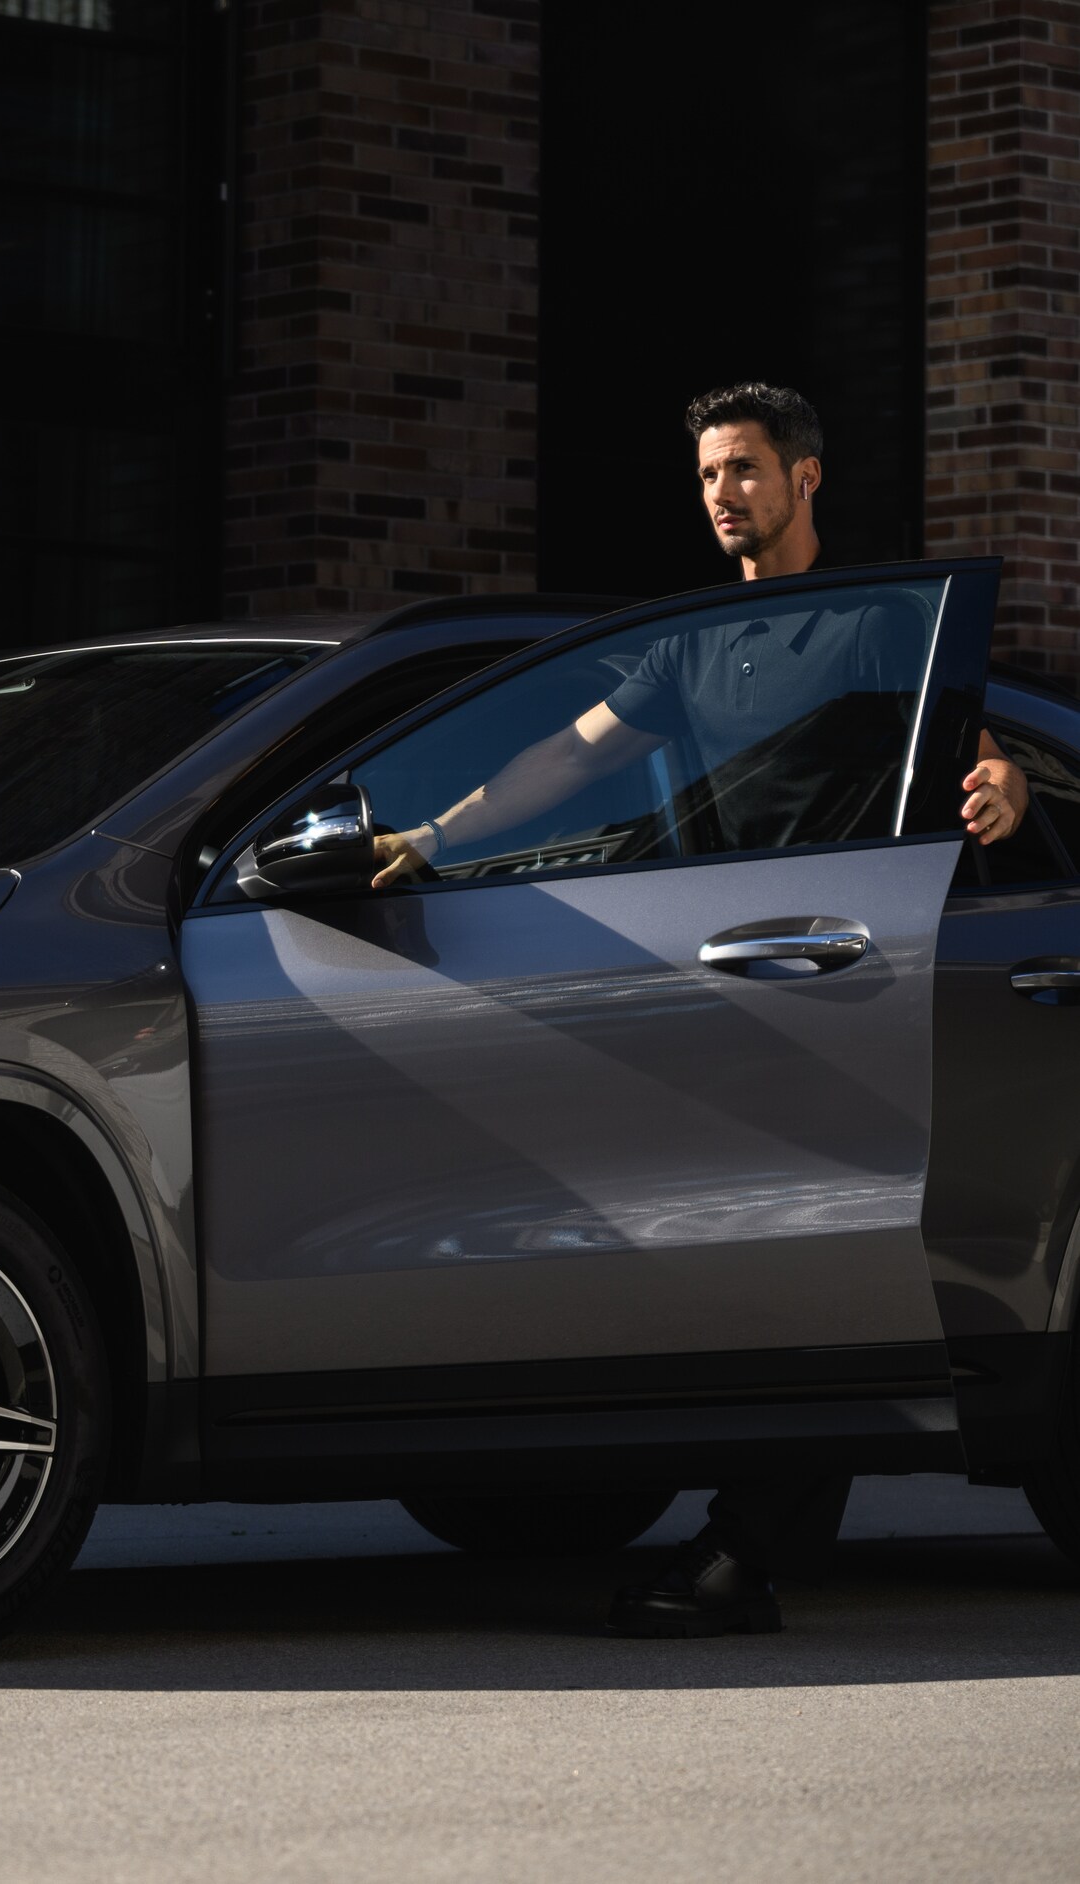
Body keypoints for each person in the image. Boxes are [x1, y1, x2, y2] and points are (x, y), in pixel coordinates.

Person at [370, 382, 1029, 1636]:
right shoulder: (685, 648)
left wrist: (991, 784)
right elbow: (568, 756)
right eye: (709, 476)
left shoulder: (870, 625)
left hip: (838, 970)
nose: (723, 494)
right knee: (738, 1253)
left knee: (807, 1261)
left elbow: (976, 748)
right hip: (718, 982)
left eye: (743, 470)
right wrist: (435, 835)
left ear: (805, 479)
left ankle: (746, 1556)